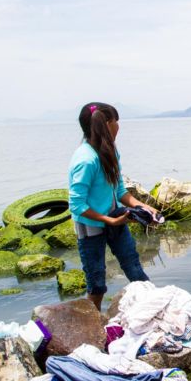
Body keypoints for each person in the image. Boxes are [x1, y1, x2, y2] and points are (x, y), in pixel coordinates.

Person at [68, 103, 159, 311]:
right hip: (90, 224)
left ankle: (154, 311)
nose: (119, 126)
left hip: (114, 216)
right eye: (117, 121)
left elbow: (119, 192)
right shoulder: (86, 160)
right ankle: (93, 329)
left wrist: (143, 206)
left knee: (135, 268)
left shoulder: (110, 152)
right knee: (97, 283)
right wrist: (109, 221)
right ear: (107, 124)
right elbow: (76, 204)